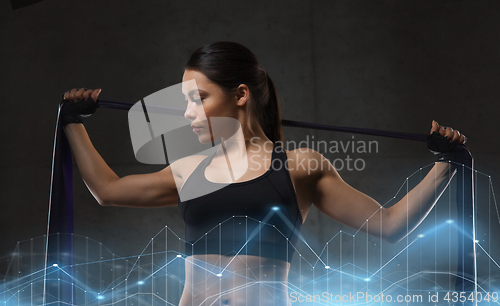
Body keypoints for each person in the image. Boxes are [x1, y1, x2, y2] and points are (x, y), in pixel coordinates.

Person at [61, 41, 467, 306]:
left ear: (240, 95)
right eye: (184, 101)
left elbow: (389, 224)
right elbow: (107, 189)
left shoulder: (299, 166)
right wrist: (73, 122)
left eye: (198, 98)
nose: (187, 114)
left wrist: (445, 164)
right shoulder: (189, 169)